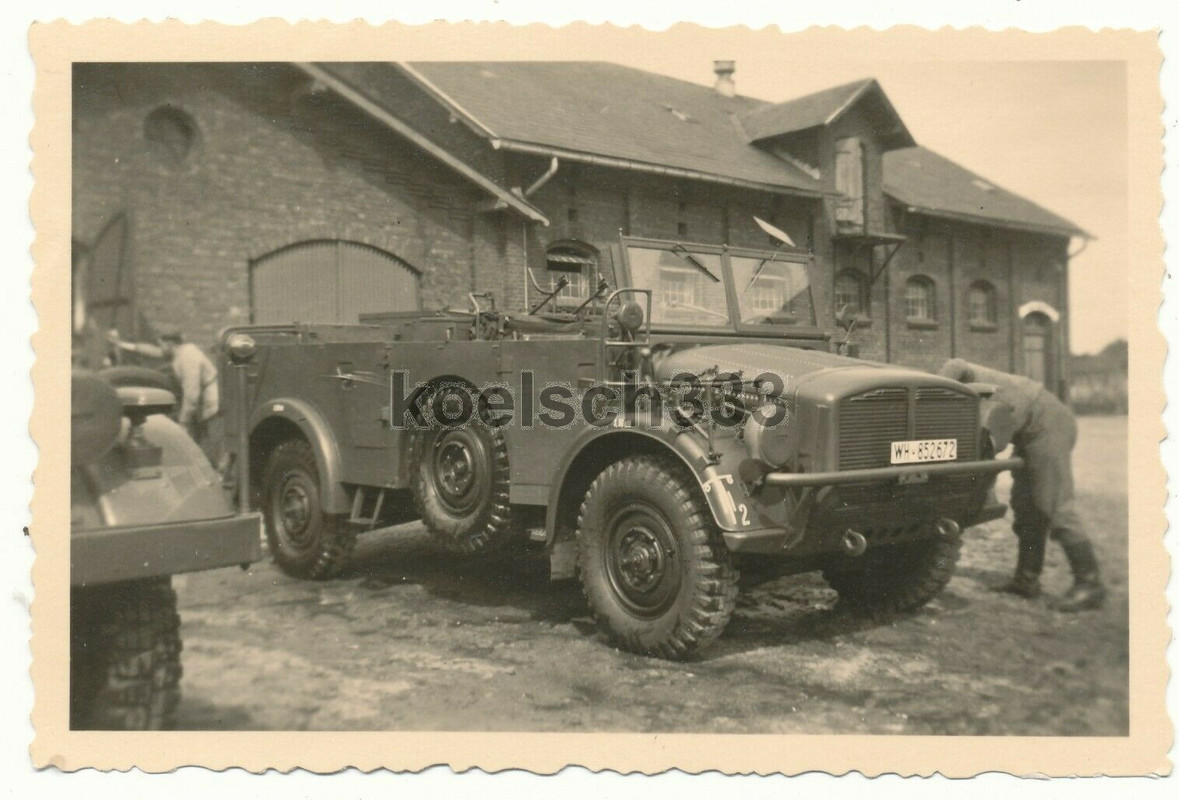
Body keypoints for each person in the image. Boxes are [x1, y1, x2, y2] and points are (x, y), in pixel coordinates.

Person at [937, 358, 1105, 612]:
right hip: (1028, 430)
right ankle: (1027, 580)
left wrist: (936, 391)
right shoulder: (961, 401)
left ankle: (1090, 585)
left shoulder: (957, 377)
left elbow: (956, 364)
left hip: (1047, 422)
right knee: (1026, 506)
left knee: (1054, 505)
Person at [108, 328, 222, 463]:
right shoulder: (179, 352)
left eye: (161, 345)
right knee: (206, 443)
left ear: (170, 344)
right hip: (204, 402)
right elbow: (154, 352)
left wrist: (183, 421)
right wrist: (122, 344)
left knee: (212, 445)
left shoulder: (188, 357)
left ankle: (219, 475)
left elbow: (192, 393)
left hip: (212, 402)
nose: (160, 349)